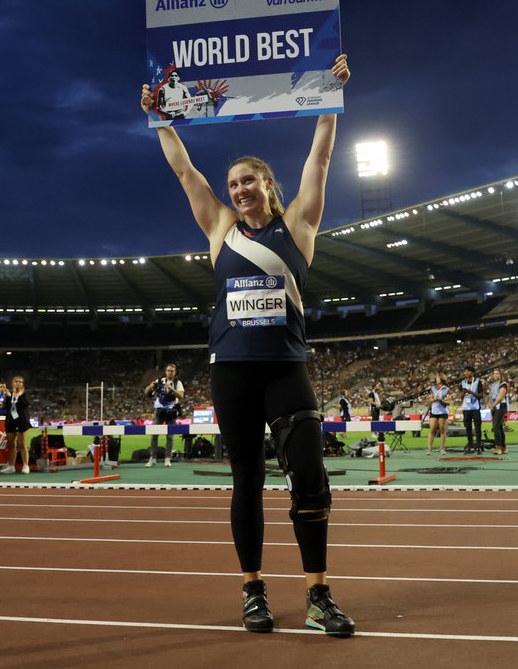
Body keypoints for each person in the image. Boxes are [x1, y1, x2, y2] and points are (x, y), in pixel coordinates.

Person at [141, 53, 354, 637]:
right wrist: (160, 118)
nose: (238, 190)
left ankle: (318, 595)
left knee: (308, 474)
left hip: (286, 367)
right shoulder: (218, 230)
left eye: (248, 181)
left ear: (267, 185)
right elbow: (186, 172)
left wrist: (330, 100)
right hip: (232, 371)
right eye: (233, 184)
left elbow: (321, 157)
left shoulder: (300, 227)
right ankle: (253, 590)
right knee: (248, 483)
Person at [145, 363, 185, 468]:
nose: (170, 372)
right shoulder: (160, 381)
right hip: (159, 411)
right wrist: (150, 386)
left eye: (172, 371)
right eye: (168, 370)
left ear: (175, 372)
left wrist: (171, 388)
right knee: (154, 435)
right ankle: (152, 458)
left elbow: (181, 396)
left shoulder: (178, 382)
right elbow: (146, 392)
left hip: (172, 411)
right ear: (165, 371)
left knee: (170, 436)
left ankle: (167, 458)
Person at [0, 376, 31, 474]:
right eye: (16, 381)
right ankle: (11, 466)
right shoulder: (9, 394)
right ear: (12, 383)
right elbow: (6, 406)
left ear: (23, 384)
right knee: (11, 445)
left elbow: (23, 405)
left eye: (20, 382)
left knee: (22, 444)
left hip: (21, 421)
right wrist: (9, 397)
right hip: (10, 421)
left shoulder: (24, 394)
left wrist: (12, 397)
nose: (18, 383)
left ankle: (25, 465)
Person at [458, 365, 483, 454]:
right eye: (465, 371)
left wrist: (471, 392)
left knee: (477, 427)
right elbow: (460, 397)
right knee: (467, 427)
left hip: (475, 408)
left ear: (472, 373)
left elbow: (481, 395)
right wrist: (464, 393)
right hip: (466, 408)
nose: (465, 373)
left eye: (467, 371)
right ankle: (470, 445)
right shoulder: (462, 383)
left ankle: (478, 445)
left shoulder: (477, 381)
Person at [425, 373, 450, 455]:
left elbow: (448, 402)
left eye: (438, 377)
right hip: (434, 411)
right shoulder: (432, 389)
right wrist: (434, 399)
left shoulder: (446, 389)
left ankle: (442, 448)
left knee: (442, 429)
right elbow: (429, 400)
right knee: (432, 429)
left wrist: (441, 400)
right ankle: (429, 449)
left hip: (442, 412)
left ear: (441, 378)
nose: (436, 378)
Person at [488, 370, 509, 455]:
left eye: (497, 373)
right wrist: (489, 403)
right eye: (494, 374)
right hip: (495, 407)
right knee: (499, 427)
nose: (495, 375)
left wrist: (493, 405)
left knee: (495, 427)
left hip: (500, 406)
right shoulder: (492, 385)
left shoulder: (503, 384)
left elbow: (500, 397)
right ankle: (503, 448)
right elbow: (490, 396)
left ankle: (498, 447)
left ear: (500, 375)